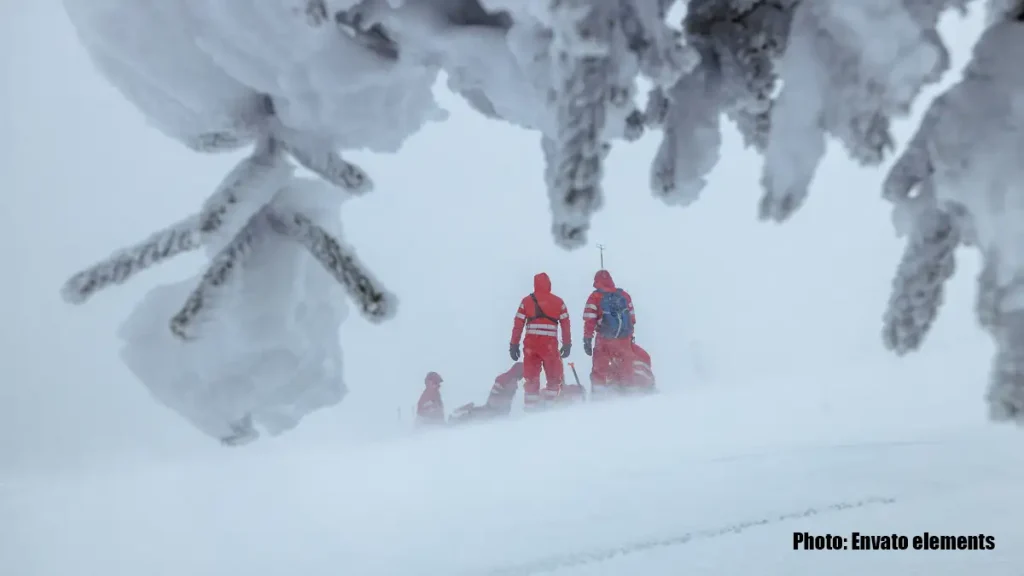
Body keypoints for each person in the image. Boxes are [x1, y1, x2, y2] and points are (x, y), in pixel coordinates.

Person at [510, 273, 572, 410]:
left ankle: (530, 408)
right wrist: (567, 343)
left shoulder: (526, 301)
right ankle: (550, 406)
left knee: (531, 378)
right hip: (549, 346)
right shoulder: (558, 302)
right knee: (554, 377)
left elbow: (518, 324)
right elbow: (565, 324)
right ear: (549, 284)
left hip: (531, 346)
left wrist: (514, 344)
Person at [582, 270, 636, 398]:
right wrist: (630, 336)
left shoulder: (595, 297)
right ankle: (630, 395)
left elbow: (589, 320)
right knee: (626, 367)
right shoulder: (624, 295)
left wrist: (587, 339)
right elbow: (632, 319)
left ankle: (598, 398)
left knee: (600, 370)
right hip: (624, 339)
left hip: (605, 339)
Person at [449, 362, 524, 424]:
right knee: (475, 417)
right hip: (496, 409)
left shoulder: (505, 377)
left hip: (493, 405)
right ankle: (456, 420)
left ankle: (458, 416)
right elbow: (507, 397)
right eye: (523, 373)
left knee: (477, 414)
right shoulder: (511, 380)